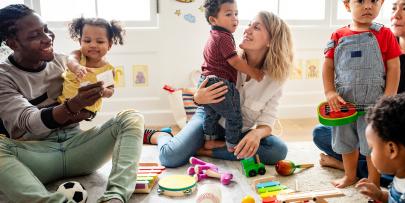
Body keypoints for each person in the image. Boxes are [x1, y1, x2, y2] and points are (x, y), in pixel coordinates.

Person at [0, 4, 143, 203]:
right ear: (13, 42)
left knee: (131, 117)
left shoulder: (63, 62)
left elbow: (91, 106)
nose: (48, 37)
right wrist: (72, 106)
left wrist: (92, 102)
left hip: (77, 146)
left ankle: (115, 197)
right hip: (37, 153)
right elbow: (28, 120)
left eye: (46, 29)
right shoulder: (4, 76)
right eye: (35, 35)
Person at [143, 11, 293, 168]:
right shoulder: (227, 57)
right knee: (169, 157)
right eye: (249, 25)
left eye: (256, 27)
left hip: (239, 131)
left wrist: (257, 133)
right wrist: (197, 97)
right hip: (209, 119)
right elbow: (201, 88)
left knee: (278, 150)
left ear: (271, 40)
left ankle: (205, 150)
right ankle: (161, 135)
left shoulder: (276, 79)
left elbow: (267, 121)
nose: (247, 30)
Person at [313, 0, 405, 188]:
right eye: (361, 1)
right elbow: (328, 65)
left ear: (380, 4)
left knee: (371, 146)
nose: (368, 6)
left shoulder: (384, 33)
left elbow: (394, 67)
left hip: (374, 105)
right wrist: (329, 91)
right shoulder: (338, 35)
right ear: (347, 5)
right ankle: (350, 174)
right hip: (345, 105)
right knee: (342, 141)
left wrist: (388, 98)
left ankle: (374, 179)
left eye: (373, 1)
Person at [200, 0, 263, 152]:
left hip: (206, 80)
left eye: (236, 13)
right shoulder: (224, 36)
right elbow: (234, 61)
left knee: (211, 114)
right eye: (228, 14)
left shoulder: (214, 35)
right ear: (213, 20)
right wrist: (253, 72)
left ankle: (209, 139)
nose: (234, 18)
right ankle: (232, 145)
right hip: (220, 83)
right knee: (234, 116)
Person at [355, 92, 405, 203]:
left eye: (372, 149)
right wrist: (380, 195)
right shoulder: (404, 174)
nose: (370, 154)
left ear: (392, 150)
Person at [57, 17, 124, 120]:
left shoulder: (108, 69)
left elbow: (111, 90)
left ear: (109, 45)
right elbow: (71, 60)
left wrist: (104, 91)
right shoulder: (78, 55)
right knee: (55, 118)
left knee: (69, 121)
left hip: (87, 110)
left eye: (100, 42)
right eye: (87, 41)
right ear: (80, 42)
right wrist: (77, 67)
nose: (93, 45)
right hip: (64, 104)